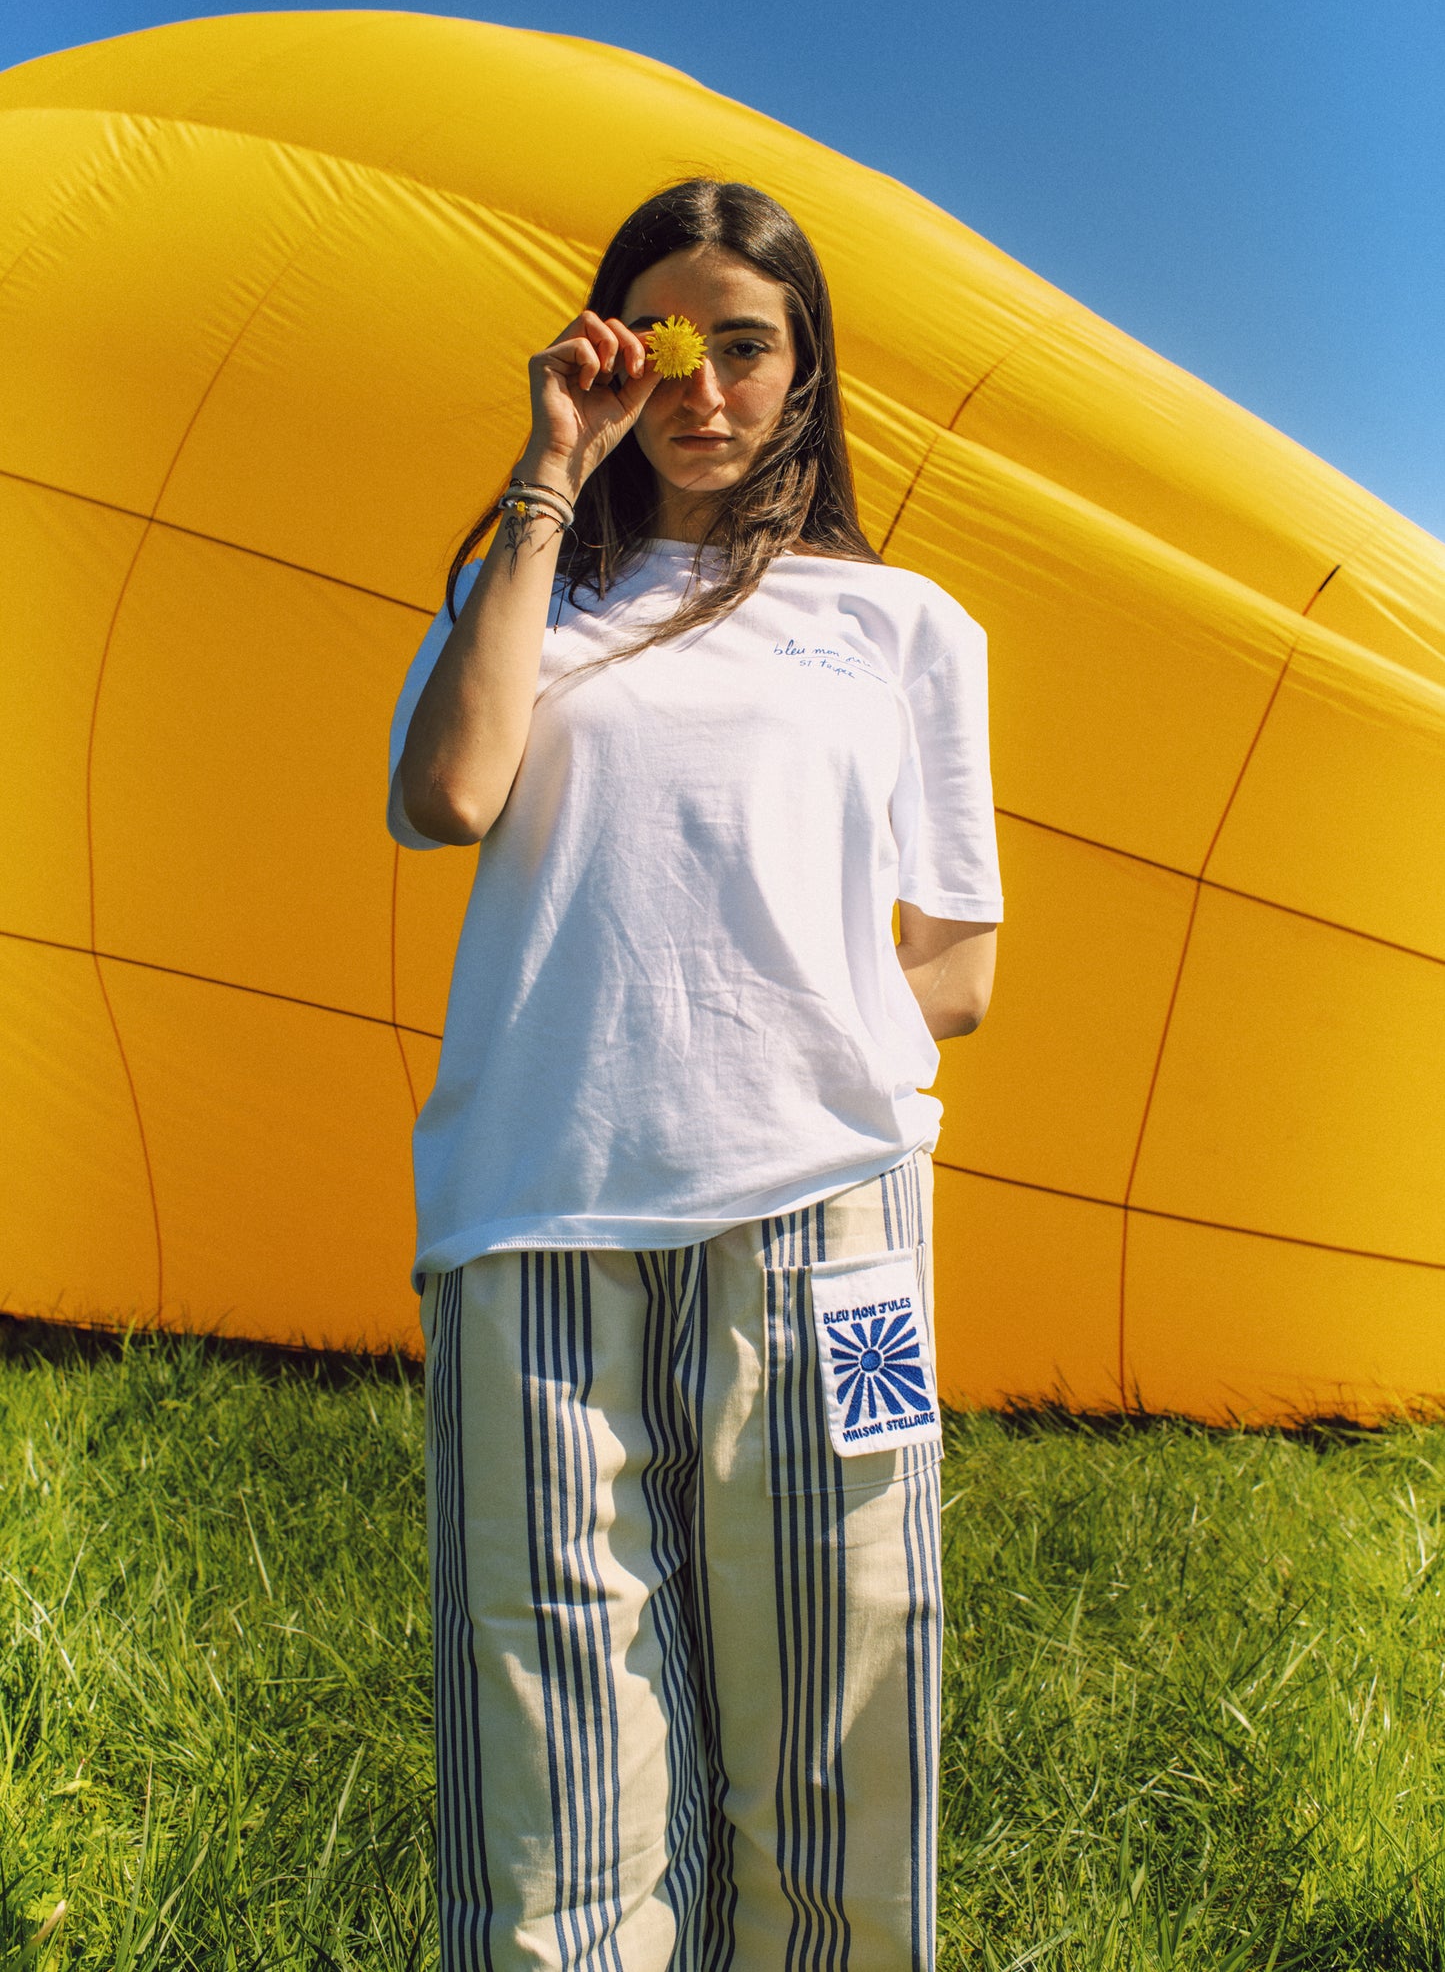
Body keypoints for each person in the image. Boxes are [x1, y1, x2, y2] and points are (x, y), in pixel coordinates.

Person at [386, 178, 1004, 1972]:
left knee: (852, 1668)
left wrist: (779, 1044)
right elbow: (449, 798)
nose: (706, 388)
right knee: (549, 1702)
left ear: (802, 372)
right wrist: (546, 473)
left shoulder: (905, 630)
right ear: (609, 357)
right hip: (535, 1202)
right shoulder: (526, 585)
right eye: (666, 346)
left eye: (749, 346)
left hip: (839, 1223)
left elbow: (955, 970)